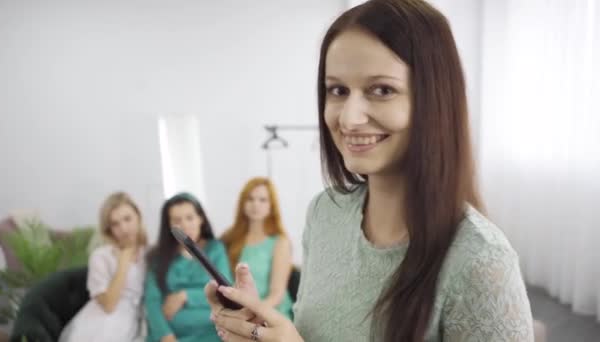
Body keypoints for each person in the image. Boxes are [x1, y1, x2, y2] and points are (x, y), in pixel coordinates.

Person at [205, 0, 534, 341]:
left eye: (381, 90)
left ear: (434, 99)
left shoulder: (480, 260)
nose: (348, 118)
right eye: (338, 90)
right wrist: (259, 328)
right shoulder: (325, 213)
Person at [59, 192, 148, 342]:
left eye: (127, 219)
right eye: (115, 224)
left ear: (138, 217)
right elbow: (109, 305)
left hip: (136, 322)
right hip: (103, 323)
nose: (124, 228)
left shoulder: (150, 254)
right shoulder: (101, 256)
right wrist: (123, 263)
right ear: (109, 229)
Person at [144, 193, 231, 342]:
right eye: (177, 220)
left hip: (212, 332)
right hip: (170, 335)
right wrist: (165, 336)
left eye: (190, 218)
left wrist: (185, 296)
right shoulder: (158, 257)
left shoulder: (215, 250)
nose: (184, 225)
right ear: (169, 225)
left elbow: (225, 290)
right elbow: (152, 302)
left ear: (200, 219)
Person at [221, 177, 293, 319]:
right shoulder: (228, 239)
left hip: (270, 314)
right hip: (237, 312)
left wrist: (253, 313)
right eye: (250, 199)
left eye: (262, 200)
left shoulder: (280, 243)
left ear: (271, 206)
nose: (255, 204)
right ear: (243, 203)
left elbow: (276, 294)